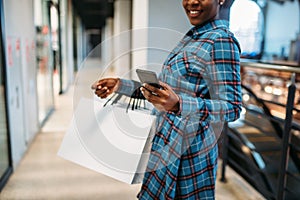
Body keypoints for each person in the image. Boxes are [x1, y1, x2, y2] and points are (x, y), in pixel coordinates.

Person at [91, 0, 242, 199]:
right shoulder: (195, 37)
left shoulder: (221, 40)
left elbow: (232, 107)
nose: (192, 1)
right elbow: (165, 92)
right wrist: (120, 85)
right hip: (167, 144)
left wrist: (179, 104)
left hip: (190, 153)